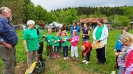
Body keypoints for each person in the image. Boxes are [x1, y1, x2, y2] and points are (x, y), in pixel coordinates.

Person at [0, 7, 18, 74]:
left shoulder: (6, 21)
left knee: (11, 65)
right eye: (10, 12)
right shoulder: (1, 21)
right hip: (6, 48)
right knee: (8, 68)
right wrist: (5, 44)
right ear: (4, 13)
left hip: (10, 48)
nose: (11, 14)